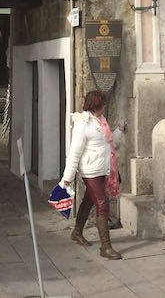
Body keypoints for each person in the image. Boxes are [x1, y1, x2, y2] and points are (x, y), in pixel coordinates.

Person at [61, 89, 125, 259]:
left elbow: (110, 143)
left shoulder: (101, 121)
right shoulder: (83, 124)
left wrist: (119, 131)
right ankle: (106, 247)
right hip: (90, 170)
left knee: (89, 200)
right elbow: (75, 152)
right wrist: (68, 177)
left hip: (103, 168)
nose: (104, 106)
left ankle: (77, 231)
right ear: (96, 105)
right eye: (102, 104)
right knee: (102, 203)